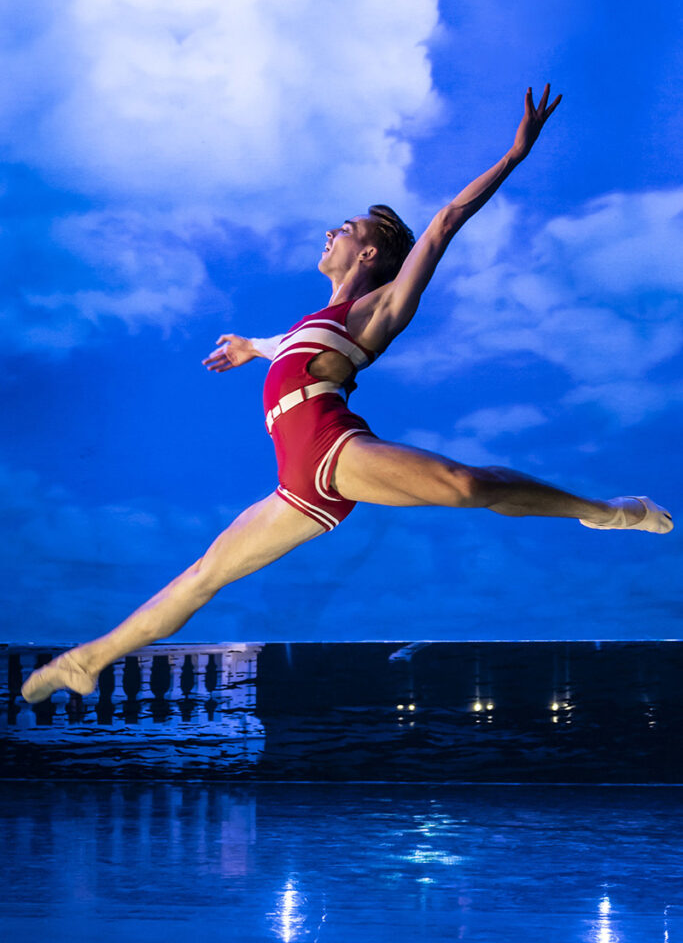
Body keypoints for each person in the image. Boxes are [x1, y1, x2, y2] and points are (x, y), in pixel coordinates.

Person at [21, 85, 673, 704]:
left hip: (333, 447)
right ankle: (87, 661)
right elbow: (294, 349)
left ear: (367, 256)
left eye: (344, 228)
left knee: (467, 486)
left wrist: (513, 154)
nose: (330, 234)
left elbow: (444, 222)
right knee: (203, 577)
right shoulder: (315, 324)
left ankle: (607, 511)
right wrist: (250, 346)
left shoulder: (380, 309)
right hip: (298, 485)